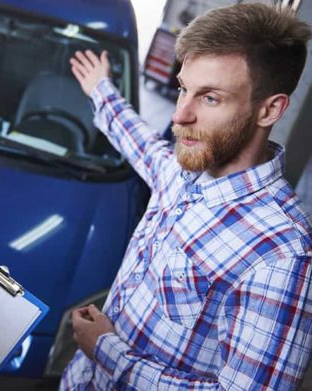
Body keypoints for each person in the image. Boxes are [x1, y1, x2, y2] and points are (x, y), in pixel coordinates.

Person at [62, 3, 312, 390]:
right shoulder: (183, 173)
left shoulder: (283, 254)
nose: (180, 115)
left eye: (210, 98)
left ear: (270, 110)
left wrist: (107, 351)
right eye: (184, 89)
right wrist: (101, 88)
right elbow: (140, 143)